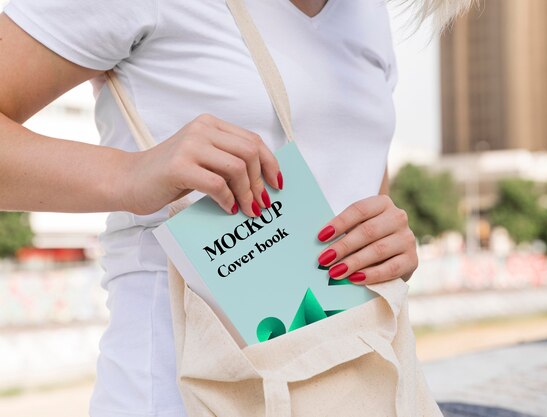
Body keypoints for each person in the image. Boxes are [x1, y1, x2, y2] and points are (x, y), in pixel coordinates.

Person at [0, 0, 470, 415]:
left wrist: (386, 242)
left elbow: (359, 191)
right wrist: (128, 175)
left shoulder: (367, 13)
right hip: (175, 392)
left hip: (350, 383)